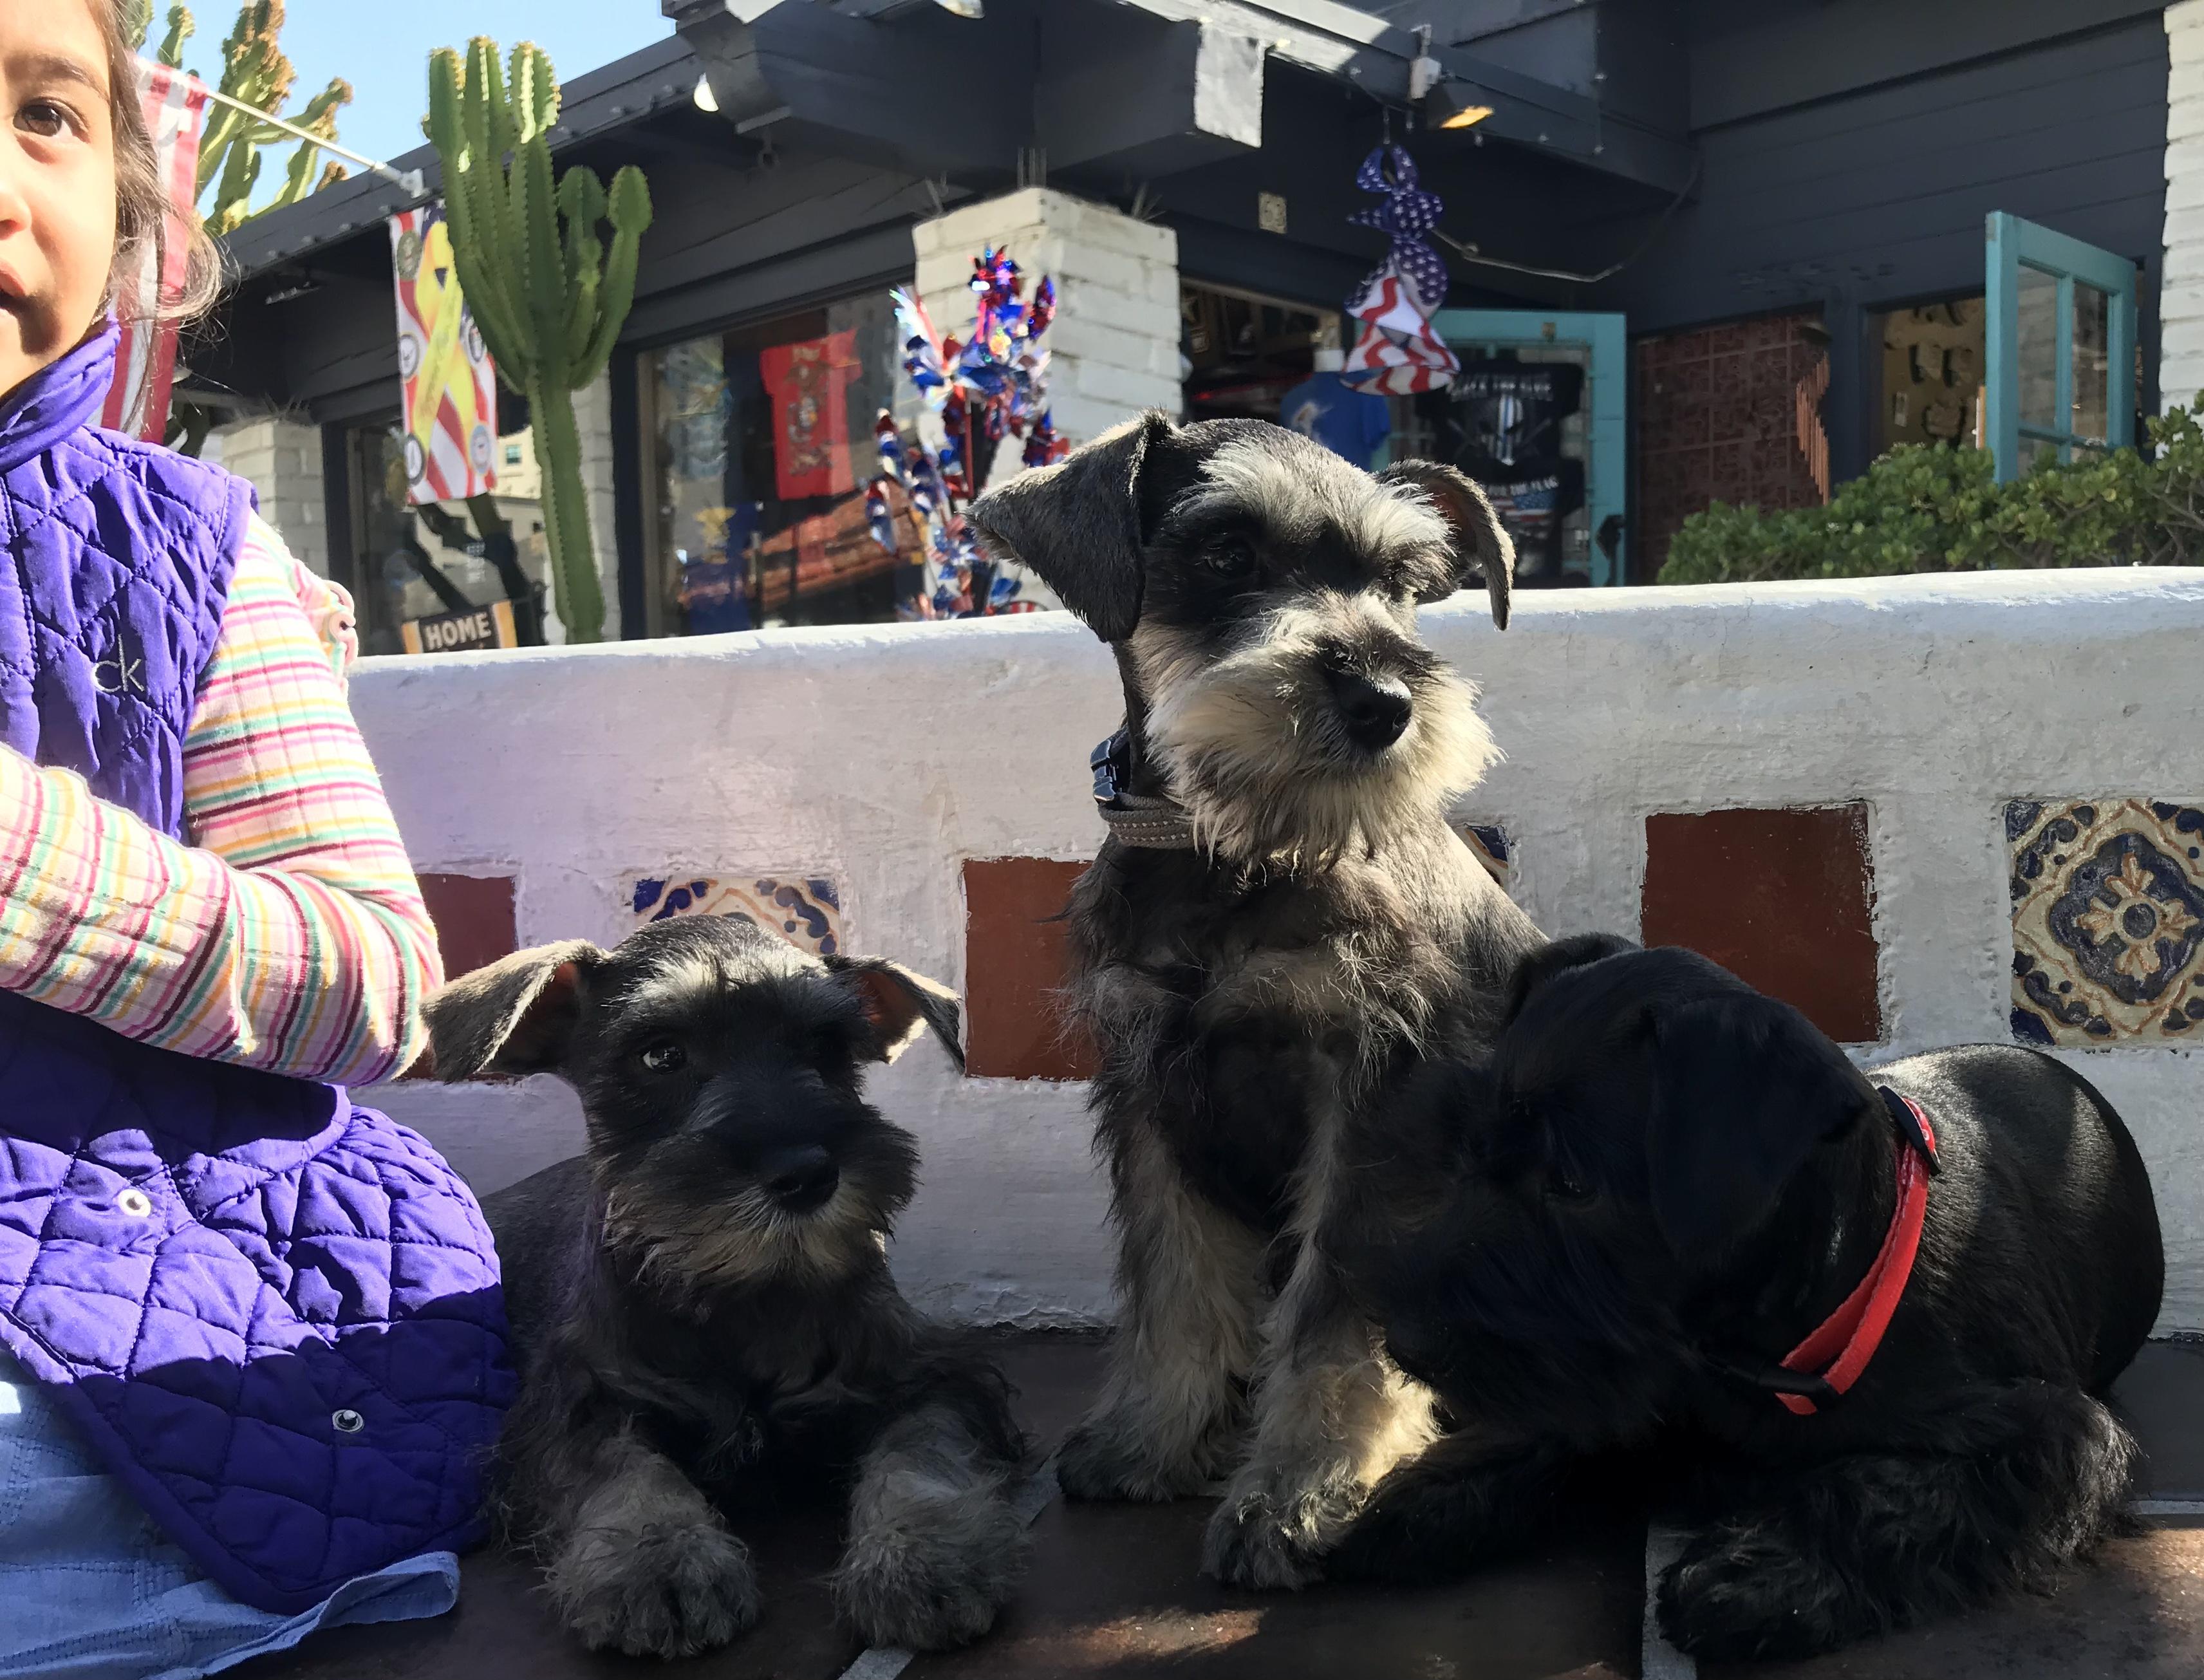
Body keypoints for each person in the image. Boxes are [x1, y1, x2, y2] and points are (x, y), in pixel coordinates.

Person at [0, 5, 510, 1675]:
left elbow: (374, 982)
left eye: (48, 115)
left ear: (128, 211)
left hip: (145, 1347)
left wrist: (28, 865)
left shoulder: (196, 558)